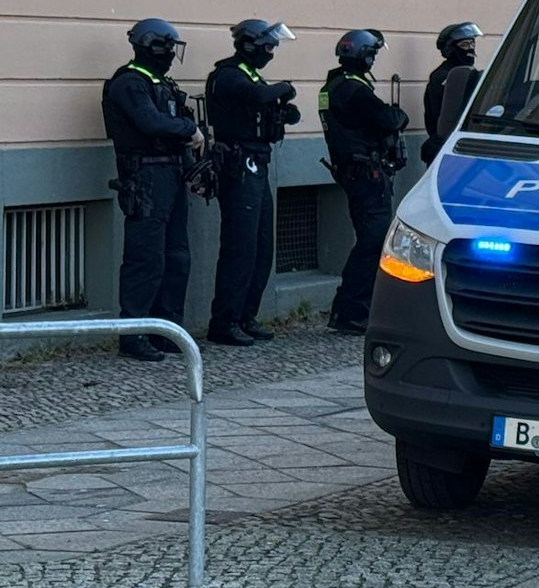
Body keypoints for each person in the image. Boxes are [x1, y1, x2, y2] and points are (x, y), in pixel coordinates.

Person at [102, 20, 205, 361]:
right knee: (145, 258)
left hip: (169, 173)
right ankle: (133, 334)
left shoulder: (160, 82)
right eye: (169, 47)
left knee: (176, 257)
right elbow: (150, 123)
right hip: (145, 175)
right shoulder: (130, 82)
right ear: (154, 46)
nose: (173, 54)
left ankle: (166, 330)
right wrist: (189, 129)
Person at [204, 20, 300, 347]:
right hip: (238, 164)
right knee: (240, 246)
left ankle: (246, 315)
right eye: (267, 46)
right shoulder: (229, 74)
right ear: (249, 45)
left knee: (261, 245)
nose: (271, 53)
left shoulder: (251, 73)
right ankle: (225, 321)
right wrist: (282, 89)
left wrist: (282, 113)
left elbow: (264, 102)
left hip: (257, 161)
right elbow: (257, 95)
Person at [319, 30, 408, 334]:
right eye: (373, 54)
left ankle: (352, 308)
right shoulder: (355, 89)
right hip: (365, 172)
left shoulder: (333, 85)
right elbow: (390, 119)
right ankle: (352, 310)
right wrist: (398, 115)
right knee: (373, 242)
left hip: (354, 170)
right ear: (364, 55)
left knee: (370, 240)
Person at [421, 22, 482, 165]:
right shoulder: (444, 77)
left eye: (472, 44)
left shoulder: (468, 73)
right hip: (446, 143)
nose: (471, 49)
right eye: (465, 45)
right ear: (450, 49)